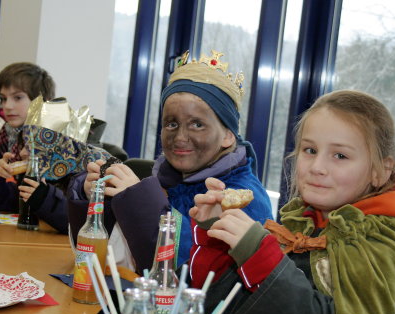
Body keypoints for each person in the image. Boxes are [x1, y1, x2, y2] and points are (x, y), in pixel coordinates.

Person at [189, 90, 395, 314]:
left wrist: (260, 256)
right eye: (310, 150)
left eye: (340, 156)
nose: (317, 167)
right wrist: (217, 231)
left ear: (381, 169)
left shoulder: (381, 242)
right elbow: (220, 313)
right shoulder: (301, 225)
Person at [67, 50, 273, 273]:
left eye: (197, 124)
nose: (181, 137)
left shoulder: (242, 199)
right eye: (171, 124)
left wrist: (138, 200)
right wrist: (95, 200)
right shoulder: (167, 183)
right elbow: (105, 257)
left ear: (227, 135)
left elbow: (196, 273)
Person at [0, 62, 56, 211]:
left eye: (17, 98)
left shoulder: (57, 140)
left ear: (39, 101)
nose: (7, 106)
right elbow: (4, 202)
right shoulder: (9, 131)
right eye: (3, 99)